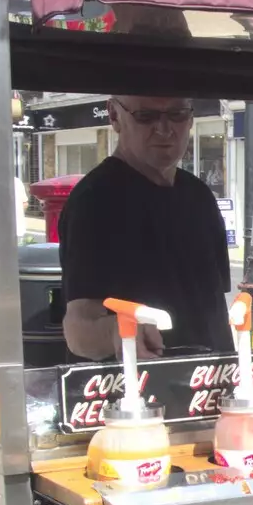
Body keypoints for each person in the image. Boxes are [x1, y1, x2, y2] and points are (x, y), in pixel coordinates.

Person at [59, 96, 233, 361]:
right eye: (146, 117)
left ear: (191, 118)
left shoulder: (199, 196)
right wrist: (117, 333)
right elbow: (78, 330)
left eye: (177, 114)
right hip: (140, 392)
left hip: (210, 385)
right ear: (115, 116)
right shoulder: (95, 200)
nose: (164, 129)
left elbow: (214, 309)